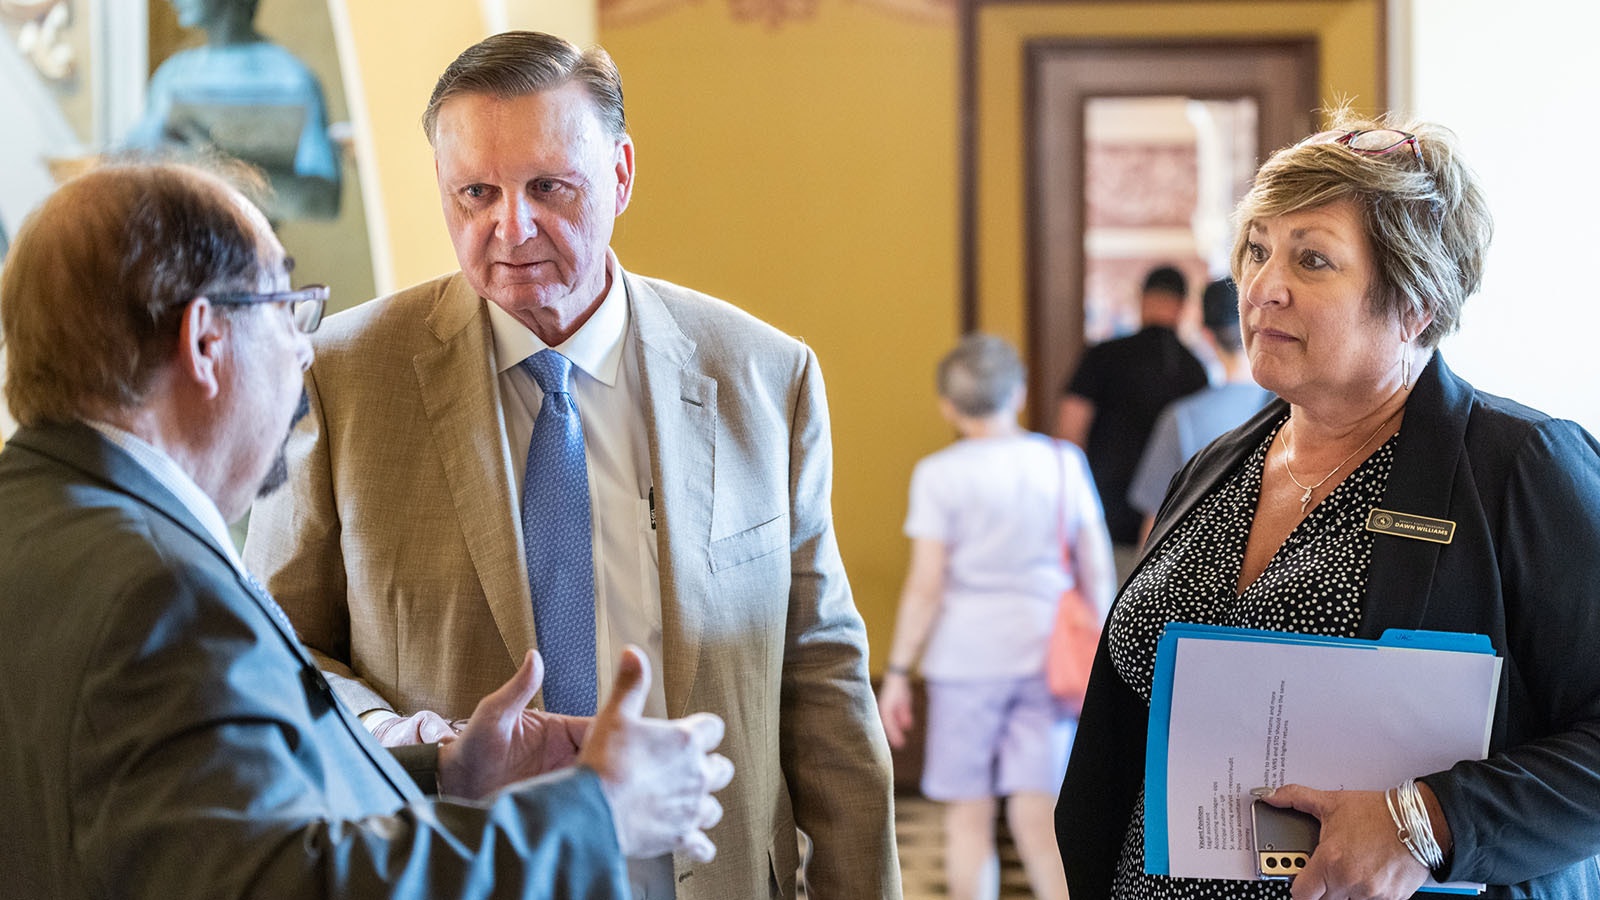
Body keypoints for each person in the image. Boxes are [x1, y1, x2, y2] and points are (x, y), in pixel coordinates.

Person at [242, 30, 899, 900]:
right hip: (462, 869)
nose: (510, 226)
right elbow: (275, 654)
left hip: (706, 876)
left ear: (621, 173)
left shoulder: (761, 375)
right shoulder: (341, 376)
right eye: (475, 192)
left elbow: (819, 676)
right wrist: (419, 743)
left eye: (549, 186)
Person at [0, 160, 733, 897]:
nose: (303, 350)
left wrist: (444, 775)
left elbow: (193, 828)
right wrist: (596, 815)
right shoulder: (164, 596)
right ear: (204, 342)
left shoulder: (32, 526)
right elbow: (286, 886)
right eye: (286, 310)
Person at [1056, 112, 1600, 899]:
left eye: (1312, 259)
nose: (1263, 287)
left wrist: (1429, 822)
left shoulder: (1521, 468)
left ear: (1415, 302)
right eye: (1257, 249)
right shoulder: (1220, 463)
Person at [878, 334, 1114, 900]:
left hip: (964, 662)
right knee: (1040, 821)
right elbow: (1097, 569)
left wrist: (895, 672)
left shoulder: (939, 475)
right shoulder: (1063, 463)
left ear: (948, 407)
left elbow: (927, 586)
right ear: (1019, 393)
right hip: (1046, 660)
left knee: (968, 821)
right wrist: (1104, 657)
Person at [125, 0, 340, 220]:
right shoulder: (173, 75)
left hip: (253, 246)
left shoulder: (289, 78)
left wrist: (220, 167)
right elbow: (126, 172)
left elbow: (323, 201)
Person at [1057, 265, 1208, 575]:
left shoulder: (1104, 355)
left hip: (1103, 513)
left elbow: (1069, 434)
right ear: (1182, 306)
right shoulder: (1196, 370)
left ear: (1142, 299)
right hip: (1171, 523)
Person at [1126, 277, 1271, 543]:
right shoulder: (1297, 411)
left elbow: (1153, 528)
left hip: (1202, 577)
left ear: (1207, 334)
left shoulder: (1182, 418)